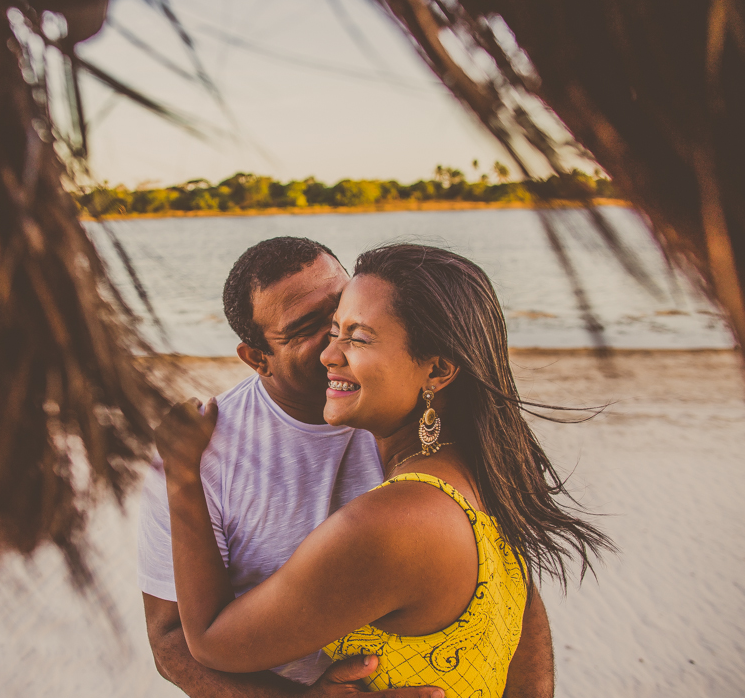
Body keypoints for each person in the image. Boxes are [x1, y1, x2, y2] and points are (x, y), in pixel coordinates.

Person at [139, 238, 557, 697]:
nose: (329, 349)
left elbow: (518, 607)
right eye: (309, 329)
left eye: (349, 325)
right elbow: (171, 639)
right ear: (257, 358)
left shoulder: (410, 479)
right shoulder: (202, 452)